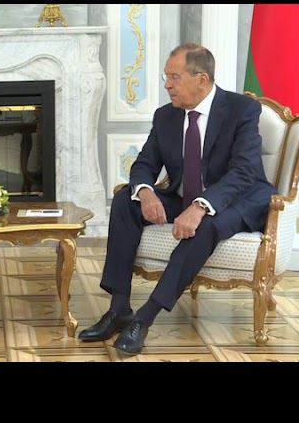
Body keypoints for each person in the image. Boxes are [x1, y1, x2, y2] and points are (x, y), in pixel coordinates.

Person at [78, 43, 275, 355]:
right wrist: (145, 192)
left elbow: (244, 172)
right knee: (124, 201)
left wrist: (200, 206)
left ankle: (144, 318)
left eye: (174, 77)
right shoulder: (166, 116)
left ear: (201, 79)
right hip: (184, 196)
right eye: (165, 78)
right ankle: (119, 309)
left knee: (205, 224)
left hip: (238, 199)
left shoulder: (241, 110)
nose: (167, 85)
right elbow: (144, 164)